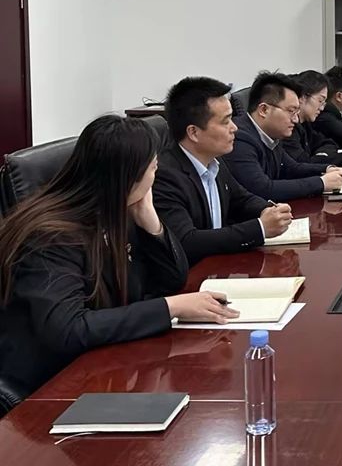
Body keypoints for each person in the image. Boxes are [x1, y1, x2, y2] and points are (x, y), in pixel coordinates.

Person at [0, 115, 239, 399]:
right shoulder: (50, 235)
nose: (156, 177)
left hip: (101, 363)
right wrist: (170, 308)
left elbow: (172, 279)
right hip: (50, 387)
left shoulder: (116, 211)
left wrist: (150, 221)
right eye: (154, 168)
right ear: (128, 178)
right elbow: (69, 329)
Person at [154, 76, 296, 265]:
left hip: (220, 267)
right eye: (225, 121)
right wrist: (260, 228)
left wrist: (269, 210)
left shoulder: (213, 160)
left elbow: (241, 200)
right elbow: (187, 241)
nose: (234, 127)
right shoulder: (165, 175)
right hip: (193, 277)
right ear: (194, 132)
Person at [223, 71, 342, 202]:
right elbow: (263, 189)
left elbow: (292, 168)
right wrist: (321, 183)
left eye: (296, 112)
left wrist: (327, 169)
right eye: (291, 111)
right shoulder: (239, 138)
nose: (295, 119)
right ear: (264, 110)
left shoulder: (271, 135)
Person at [284, 70, 342, 169]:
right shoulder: (287, 129)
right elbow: (304, 164)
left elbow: (327, 143)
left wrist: (320, 155)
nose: (322, 108)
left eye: (324, 102)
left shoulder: (305, 123)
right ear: (303, 97)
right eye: (320, 101)